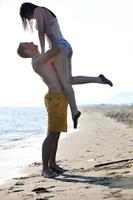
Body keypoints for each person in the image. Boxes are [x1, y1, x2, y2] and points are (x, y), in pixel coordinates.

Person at [17, 41, 113, 178]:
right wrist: (51, 33)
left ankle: (52, 164)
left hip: (60, 98)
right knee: (51, 134)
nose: (32, 42)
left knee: (56, 134)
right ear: (27, 51)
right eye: (28, 43)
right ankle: (44, 169)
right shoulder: (37, 61)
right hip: (54, 98)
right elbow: (56, 50)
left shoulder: (42, 58)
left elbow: (60, 63)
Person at [19, 2, 113, 129]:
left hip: (58, 47)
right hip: (65, 44)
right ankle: (99, 79)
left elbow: (41, 32)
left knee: (65, 83)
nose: (29, 20)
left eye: (27, 18)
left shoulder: (38, 11)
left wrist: (43, 51)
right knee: (70, 80)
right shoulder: (46, 11)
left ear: (27, 12)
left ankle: (74, 111)